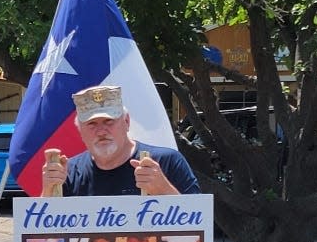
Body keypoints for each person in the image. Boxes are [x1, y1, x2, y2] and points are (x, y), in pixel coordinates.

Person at [40, 84, 200, 197]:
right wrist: (49, 190)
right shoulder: (68, 172)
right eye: (92, 124)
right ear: (80, 131)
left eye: (109, 121)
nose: (101, 131)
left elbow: (199, 228)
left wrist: (163, 189)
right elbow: (41, 239)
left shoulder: (166, 162)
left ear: (127, 122)